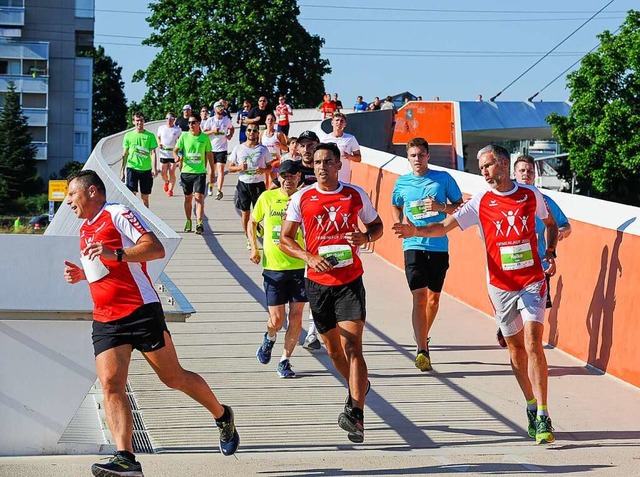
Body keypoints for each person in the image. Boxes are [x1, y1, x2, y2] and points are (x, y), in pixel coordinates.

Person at [63, 170, 239, 476]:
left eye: (71, 194)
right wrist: (82, 273)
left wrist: (115, 254)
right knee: (111, 384)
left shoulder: (117, 213)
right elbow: (102, 266)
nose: (67, 202)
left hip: (139, 310)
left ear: (91, 191)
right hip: (105, 318)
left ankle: (222, 415)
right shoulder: (85, 229)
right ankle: (125, 458)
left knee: (173, 378)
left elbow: (154, 248)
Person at [392, 144, 559, 445]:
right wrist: (415, 231)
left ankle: (545, 415)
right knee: (516, 350)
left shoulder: (531, 195)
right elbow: (444, 226)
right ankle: (531, 406)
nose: (484, 171)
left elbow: (550, 224)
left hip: (532, 280)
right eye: (481, 167)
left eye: (489, 165)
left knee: (534, 342)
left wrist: (550, 252)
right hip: (500, 285)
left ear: (504, 164)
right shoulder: (480, 201)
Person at [279, 142, 384, 443]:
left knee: (353, 346)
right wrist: (308, 256)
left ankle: (356, 413)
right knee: (333, 350)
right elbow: (285, 239)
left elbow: (377, 226)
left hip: (350, 281)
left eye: (328, 162)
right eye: (317, 162)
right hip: (317, 283)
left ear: (339, 164)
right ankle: (358, 387)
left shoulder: (354, 195)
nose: (322, 167)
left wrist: (364, 236)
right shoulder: (302, 197)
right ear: (311, 167)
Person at [391, 138, 463, 371]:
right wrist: (398, 222)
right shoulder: (402, 183)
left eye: (421, 155)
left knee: (433, 299)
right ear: (408, 158)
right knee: (419, 296)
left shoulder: (443, 179)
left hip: (438, 245)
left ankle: (423, 334)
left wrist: (440, 207)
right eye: (413, 155)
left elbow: (461, 208)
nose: (417, 159)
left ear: (428, 156)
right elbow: (395, 204)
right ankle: (422, 349)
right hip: (412, 244)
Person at [494, 155, 573, 346]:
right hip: (509, 264)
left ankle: (529, 346)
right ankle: (509, 329)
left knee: (532, 316)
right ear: (514, 173)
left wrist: (560, 233)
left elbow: (564, 225)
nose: (526, 174)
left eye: (530, 171)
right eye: (522, 171)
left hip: (538, 265)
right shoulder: (503, 198)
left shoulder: (543, 201)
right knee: (513, 310)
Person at [249, 160, 307, 378]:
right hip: (274, 267)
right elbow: (252, 221)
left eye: (293, 175)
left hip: (299, 266)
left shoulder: (304, 199)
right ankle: (270, 337)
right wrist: (254, 246)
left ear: (299, 177)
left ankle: (285, 360)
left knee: (297, 316)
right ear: (279, 177)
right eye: (284, 175)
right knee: (277, 319)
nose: (288, 179)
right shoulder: (267, 197)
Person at [228, 123, 272, 249]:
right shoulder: (238, 148)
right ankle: (249, 237)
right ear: (246, 132)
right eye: (249, 130)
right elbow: (230, 168)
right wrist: (239, 168)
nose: (252, 132)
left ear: (258, 133)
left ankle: (256, 225)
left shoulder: (263, 149)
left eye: (254, 130)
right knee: (245, 213)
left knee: (260, 214)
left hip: (258, 184)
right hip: (243, 184)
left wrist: (263, 169)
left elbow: (270, 167)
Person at [173, 114, 213, 235]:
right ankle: (189, 220)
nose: (190, 125)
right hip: (186, 172)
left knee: (199, 197)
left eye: (193, 122)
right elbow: (175, 150)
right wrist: (176, 157)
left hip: (199, 172)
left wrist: (212, 171)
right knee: (188, 198)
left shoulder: (205, 138)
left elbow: (209, 154)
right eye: (189, 123)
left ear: (199, 123)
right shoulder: (184, 136)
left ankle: (199, 223)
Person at [121, 112, 158, 209]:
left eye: (141, 120)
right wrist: (122, 171)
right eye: (137, 120)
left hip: (146, 169)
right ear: (133, 122)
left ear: (144, 121)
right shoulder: (128, 135)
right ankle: (133, 217)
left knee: (145, 197)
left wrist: (154, 168)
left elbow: (153, 153)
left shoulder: (150, 136)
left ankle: (145, 219)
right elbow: (125, 154)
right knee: (132, 194)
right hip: (132, 168)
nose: (139, 123)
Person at [202, 101, 234, 200]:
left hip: (222, 149)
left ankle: (219, 190)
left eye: (222, 107)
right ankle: (211, 185)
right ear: (215, 109)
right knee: (212, 171)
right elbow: (204, 133)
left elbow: (231, 128)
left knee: (220, 169)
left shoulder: (226, 120)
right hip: (211, 149)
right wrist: (213, 131)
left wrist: (230, 135)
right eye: (219, 107)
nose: (221, 108)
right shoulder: (210, 120)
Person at [322, 112, 361, 183]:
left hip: (344, 178)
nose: (339, 122)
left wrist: (349, 156)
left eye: (341, 121)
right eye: (337, 120)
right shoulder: (324, 139)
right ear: (332, 123)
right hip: (328, 176)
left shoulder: (350, 138)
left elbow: (358, 158)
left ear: (345, 124)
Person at [157, 112, 182, 197]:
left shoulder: (177, 129)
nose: (168, 121)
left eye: (171, 119)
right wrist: (159, 143)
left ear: (174, 119)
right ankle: (166, 182)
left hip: (173, 154)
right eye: (167, 118)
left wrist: (178, 149)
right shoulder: (161, 128)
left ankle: (170, 190)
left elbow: (180, 140)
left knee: (172, 172)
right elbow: (158, 137)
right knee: (163, 172)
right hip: (164, 153)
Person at [260, 112, 288, 184]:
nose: (270, 121)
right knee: (265, 183)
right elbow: (259, 147)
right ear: (265, 121)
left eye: (272, 120)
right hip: (265, 161)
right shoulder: (262, 134)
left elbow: (286, 148)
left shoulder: (278, 134)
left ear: (274, 122)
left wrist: (280, 145)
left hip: (275, 161)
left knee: (274, 182)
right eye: (268, 119)